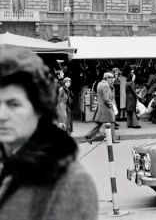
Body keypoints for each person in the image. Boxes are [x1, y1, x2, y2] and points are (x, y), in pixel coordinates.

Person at [0, 48, 98, 219]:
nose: (1, 115)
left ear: (39, 109)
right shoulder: (7, 161)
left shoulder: (70, 184)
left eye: (13, 104)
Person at [85, 72, 120, 144]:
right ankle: (113, 139)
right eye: (111, 78)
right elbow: (106, 98)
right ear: (107, 78)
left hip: (100, 107)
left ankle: (89, 135)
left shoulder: (100, 84)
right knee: (112, 122)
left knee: (99, 123)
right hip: (106, 108)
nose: (112, 80)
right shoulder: (106, 86)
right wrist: (111, 105)